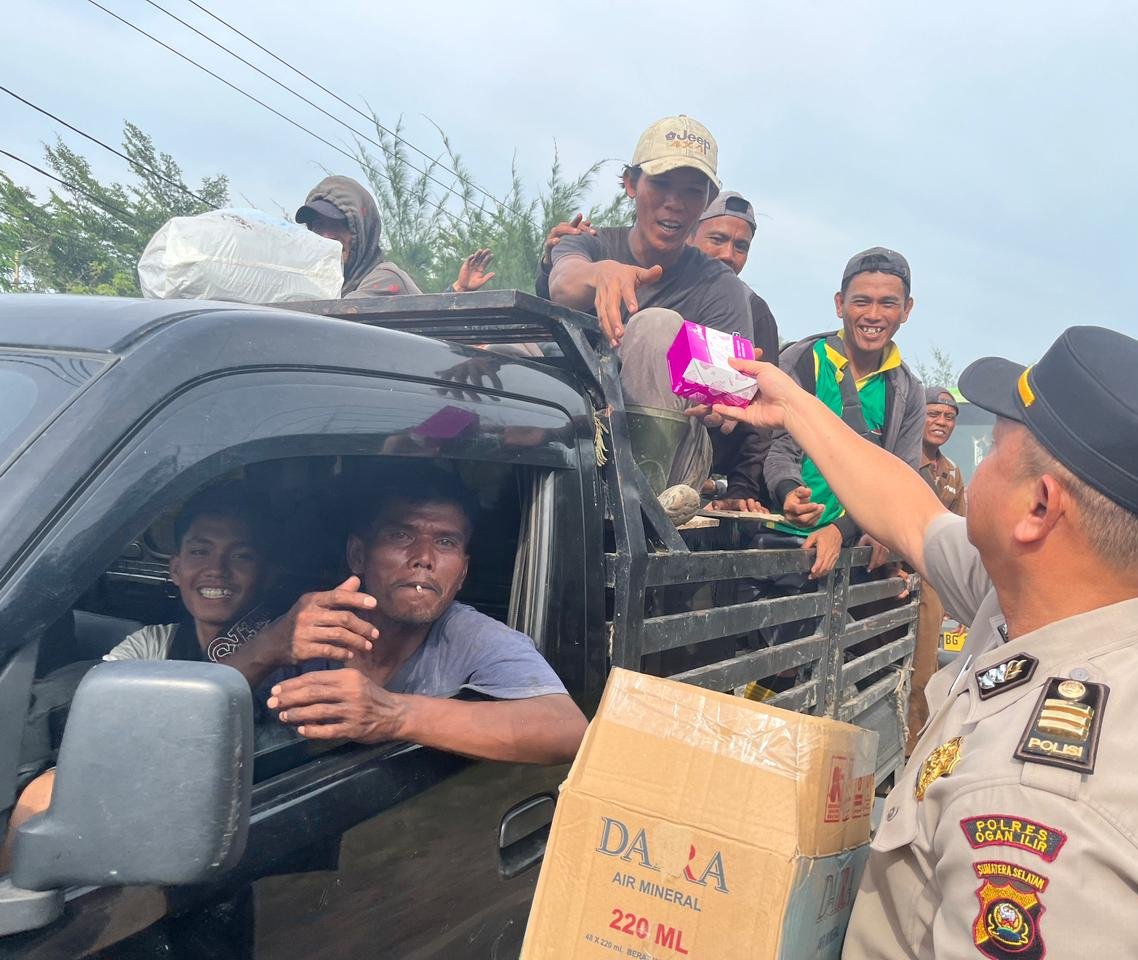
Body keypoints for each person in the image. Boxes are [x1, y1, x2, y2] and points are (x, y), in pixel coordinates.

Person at [704, 327, 1138, 959]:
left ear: (1039, 508)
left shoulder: (1041, 810)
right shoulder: (1102, 609)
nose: (976, 470)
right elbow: (912, 515)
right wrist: (793, 404)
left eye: (993, 451)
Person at [230, 467, 587, 765]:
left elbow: (567, 728)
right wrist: (269, 646)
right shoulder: (311, 624)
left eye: (445, 542)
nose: (424, 558)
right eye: (401, 535)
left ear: (462, 573)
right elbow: (203, 713)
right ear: (358, 555)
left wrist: (392, 715)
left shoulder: (470, 636)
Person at [3, 482, 276, 867]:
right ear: (176, 569)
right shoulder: (152, 644)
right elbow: (103, 729)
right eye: (200, 551)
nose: (217, 570)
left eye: (242, 556)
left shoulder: (290, 652)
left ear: (267, 574)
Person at [544, 116, 756, 512]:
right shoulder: (590, 245)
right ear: (630, 183)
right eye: (661, 184)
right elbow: (563, 284)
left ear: (707, 200)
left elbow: (728, 393)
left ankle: (635, 509)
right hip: (581, 441)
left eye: (692, 191)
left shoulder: (719, 286)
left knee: (657, 325)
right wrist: (599, 274)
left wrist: (723, 400)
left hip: (676, 464)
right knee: (511, 346)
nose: (675, 202)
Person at [763, 247, 924, 579]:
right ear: (840, 304)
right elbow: (779, 446)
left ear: (906, 309)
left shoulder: (906, 390)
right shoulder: (803, 360)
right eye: (861, 301)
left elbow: (900, 479)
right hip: (781, 537)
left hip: (852, 550)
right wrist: (789, 491)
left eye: (888, 303)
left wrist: (841, 529)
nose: (873, 315)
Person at [688, 191, 779, 513]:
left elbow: (761, 417)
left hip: (705, 476)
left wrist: (742, 487)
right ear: (689, 234)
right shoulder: (655, 283)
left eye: (741, 247)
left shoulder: (756, 312)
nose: (728, 255)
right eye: (717, 239)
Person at [907, 386, 967, 751]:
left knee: (924, 673)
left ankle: (911, 750)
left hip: (931, 586)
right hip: (893, 579)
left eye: (948, 417)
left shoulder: (952, 473)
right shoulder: (900, 462)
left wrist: (954, 594)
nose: (941, 423)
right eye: (933, 414)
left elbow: (959, 532)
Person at [296, 175, 423, 298]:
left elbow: (342, 311)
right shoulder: (326, 285)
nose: (327, 236)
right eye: (319, 224)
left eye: (340, 224)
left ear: (364, 231)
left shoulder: (386, 281)